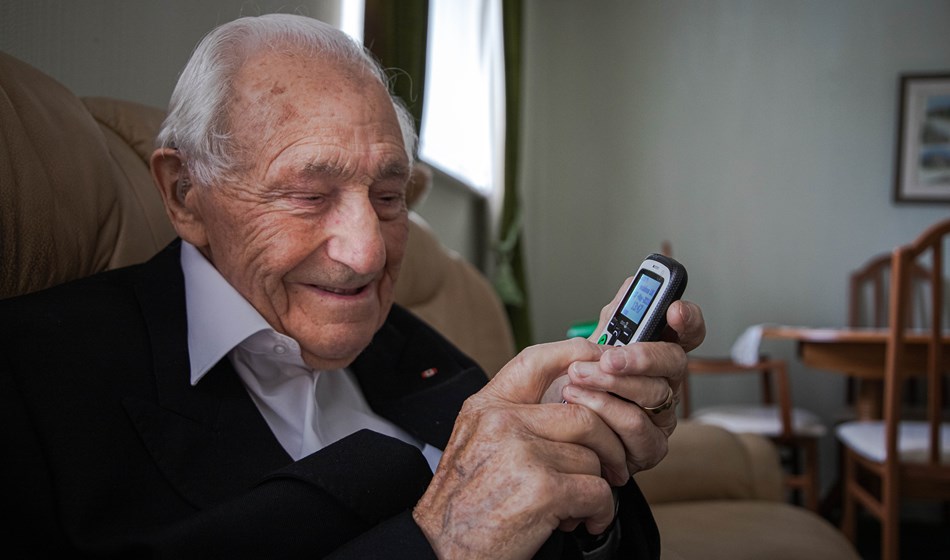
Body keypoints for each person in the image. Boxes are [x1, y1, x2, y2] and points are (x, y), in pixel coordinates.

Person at [0, 13, 705, 559]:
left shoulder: (412, 347)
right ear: (185, 194)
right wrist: (440, 541)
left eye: (390, 198)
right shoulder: (35, 375)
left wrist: (581, 462)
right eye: (309, 194)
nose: (368, 253)